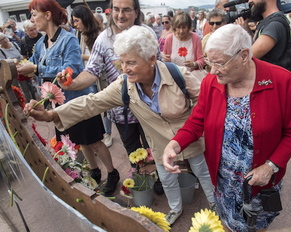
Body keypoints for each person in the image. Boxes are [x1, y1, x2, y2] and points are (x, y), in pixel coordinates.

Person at [24, 25, 216, 226]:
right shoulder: (124, 85)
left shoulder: (178, 75)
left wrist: (193, 126)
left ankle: (213, 204)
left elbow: (206, 102)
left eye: (131, 62)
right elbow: (92, 102)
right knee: (166, 179)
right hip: (159, 143)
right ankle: (176, 208)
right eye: (122, 62)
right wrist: (52, 114)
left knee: (202, 171)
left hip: (189, 137)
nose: (125, 69)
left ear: (151, 59)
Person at [162, 24, 291, 232]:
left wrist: (271, 166)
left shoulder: (281, 81)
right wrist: (175, 144)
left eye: (219, 63)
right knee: (228, 223)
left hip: (259, 183)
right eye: (210, 62)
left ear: (244, 55)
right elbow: (197, 121)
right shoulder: (211, 82)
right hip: (224, 181)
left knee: (255, 225)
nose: (212, 70)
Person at [17, 0, 119, 196]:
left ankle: (112, 173)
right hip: (59, 104)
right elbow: (30, 63)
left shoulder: (68, 39)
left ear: (47, 15)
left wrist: (38, 69)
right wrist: (19, 65)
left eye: (34, 14)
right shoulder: (40, 43)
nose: (31, 20)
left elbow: (73, 69)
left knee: (95, 140)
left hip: (78, 99)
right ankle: (95, 171)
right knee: (79, 141)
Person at [55, 0, 156, 159]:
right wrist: (71, 83)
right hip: (122, 112)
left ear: (136, 12)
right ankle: (141, 181)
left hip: (150, 107)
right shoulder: (104, 39)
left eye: (126, 10)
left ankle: (160, 183)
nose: (120, 15)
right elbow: (91, 71)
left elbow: (159, 65)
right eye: (116, 9)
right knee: (135, 156)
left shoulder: (147, 33)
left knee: (156, 152)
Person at [71, 4, 113, 148]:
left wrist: (81, 56)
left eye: (77, 20)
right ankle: (97, 136)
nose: (74, 24)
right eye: (73, 21)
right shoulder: (77, 34)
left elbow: (99, 60)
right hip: (86, 77)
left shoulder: (99, 34)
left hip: (100, 77)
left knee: (106, 105)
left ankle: (107, 133)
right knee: (92, 106)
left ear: (84, 19)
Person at [235, 0, 290, 66]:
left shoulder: (274, 25)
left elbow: (249, 56)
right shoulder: (267, 22)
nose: (250, 1)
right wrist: (245, 30)